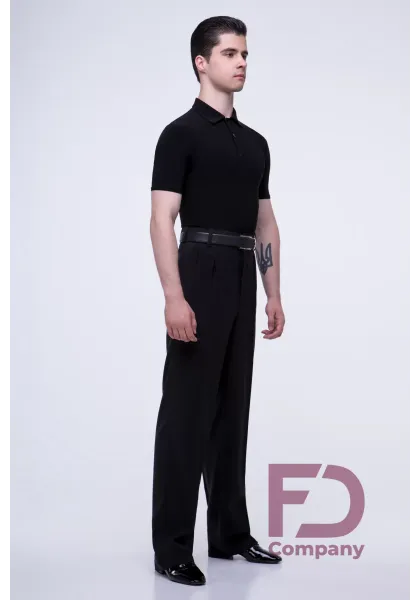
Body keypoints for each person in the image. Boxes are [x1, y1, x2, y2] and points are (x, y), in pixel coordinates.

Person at [149, 16, 285, 586]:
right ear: (201, 63)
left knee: (233, 408)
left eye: (245, 53)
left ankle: (230, 535)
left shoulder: (254, 143)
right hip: (199, 267)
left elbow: (265, 221)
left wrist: (273, 292)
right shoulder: (180, 134)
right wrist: (173, 297)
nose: (242, 62)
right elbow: (162, 218)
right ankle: (172, 547)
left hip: (241, 271)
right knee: (187, 411)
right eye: (230, 53)